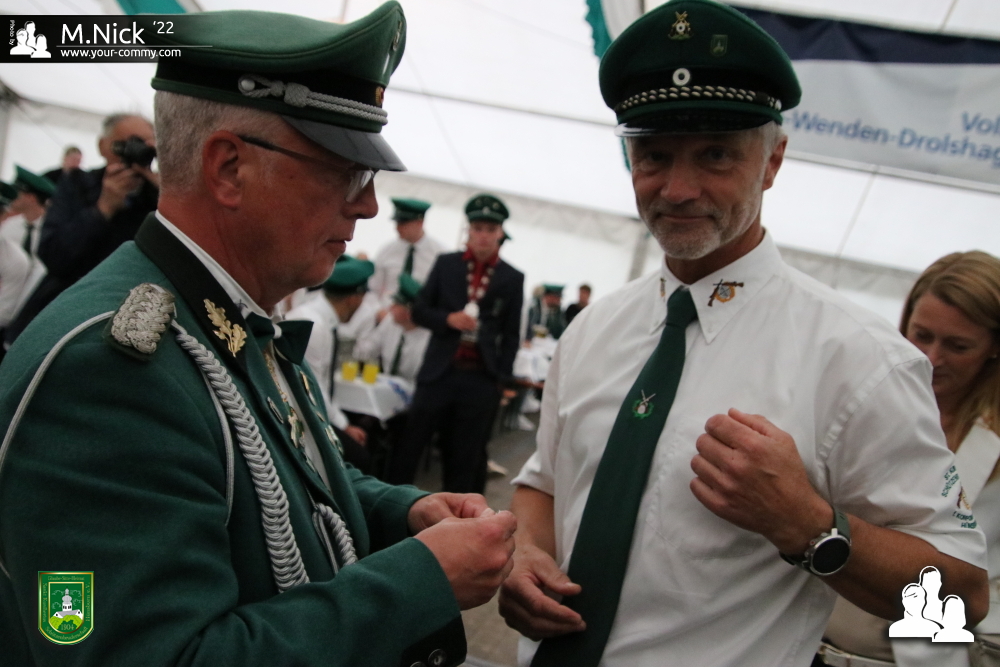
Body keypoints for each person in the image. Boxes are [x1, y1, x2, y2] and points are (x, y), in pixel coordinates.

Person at [0, 6, 517, 666]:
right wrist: (419, 579)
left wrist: (403, 514)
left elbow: (275, 477)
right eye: (346, 170)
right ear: (229, 168)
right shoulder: (108, 371)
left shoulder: (227, 316)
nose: (367, 205)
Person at [498, 2, 988, 667]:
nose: (678, 188)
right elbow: (544, 483)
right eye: (653, 155)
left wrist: (810, 526)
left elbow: (963, 596)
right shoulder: (593, 330)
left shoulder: (861, 360)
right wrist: (526, 554)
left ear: (773, 160)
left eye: (716, 154)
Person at [823, 251, 1000, 667]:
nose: (933, 358)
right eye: (921, 335)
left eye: (958, 346)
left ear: (995, 347)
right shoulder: (862, 404)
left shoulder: (991, 446)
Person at [384, 193, 524, 493]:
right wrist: (448, 319)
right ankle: (390, 507)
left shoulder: (512, 277)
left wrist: (501, 380)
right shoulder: (447, 264)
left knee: (463, 458)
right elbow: (419, 310)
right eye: (478, 228)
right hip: (439, 373)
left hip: (480, 379)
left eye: (490, 229)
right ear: (468, 230)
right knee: (409, 446)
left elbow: (512, 335)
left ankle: (456, 517)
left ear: (500, 234)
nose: (483, 235)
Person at [5, 113, 159, 345]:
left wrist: (165, 195)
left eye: (144, 144)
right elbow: (54, 255)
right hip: (61, 314)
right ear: (103, 146)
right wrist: (103, 208)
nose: (135, 151)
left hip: (120, 324)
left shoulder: (159, 199)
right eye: (126, 143)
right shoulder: (77, 184)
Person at [286, 254, 377, 468]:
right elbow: (312, 388)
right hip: (297, 414)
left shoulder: (320, 319)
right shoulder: (314, 326)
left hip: (307, 409)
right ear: (354, 298)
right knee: (360, 459)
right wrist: (343, 425)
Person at [368, 197, 446, 314]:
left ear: (420, 223)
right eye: (397, 223)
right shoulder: (386, 250)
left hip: (421, 317)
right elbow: (373, 288)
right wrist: (378, 311)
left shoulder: (439, 253)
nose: (397, 228)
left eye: (403, 223)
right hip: (387, 314)